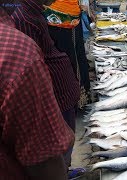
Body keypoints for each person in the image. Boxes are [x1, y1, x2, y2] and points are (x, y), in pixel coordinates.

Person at [0, 2, 74, 179]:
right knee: (59, 155)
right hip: (54, 100)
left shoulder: (31, 15)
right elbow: (45, 159)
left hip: (56, 99)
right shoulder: (18, 51)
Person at [43, 0, 91, 108]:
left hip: (66, 17)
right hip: (62, 15)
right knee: (71, 58)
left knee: (68, 58)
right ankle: (76, 97)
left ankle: (74, 97)